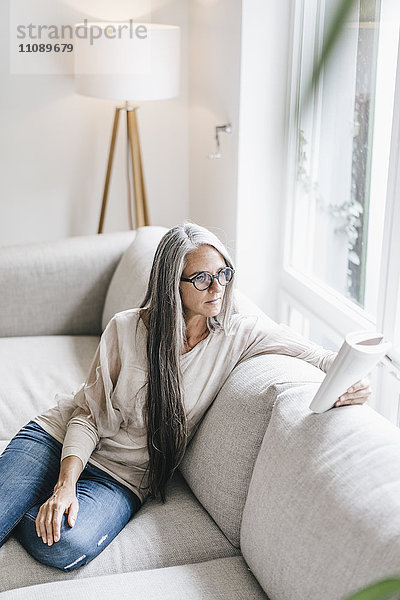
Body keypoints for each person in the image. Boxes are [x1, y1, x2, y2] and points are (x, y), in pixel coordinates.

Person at [0, 222, 371, 571]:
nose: (218, 288)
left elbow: (320, 356)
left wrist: (348, 380)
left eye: (224, 274)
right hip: (59, 437)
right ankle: (31, 490)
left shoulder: (238, 333)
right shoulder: (126, 329)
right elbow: (87, 416)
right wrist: (65, 485)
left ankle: (28, 501)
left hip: (122, 478)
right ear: (171, 284)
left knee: (64, 545)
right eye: (203, 278)